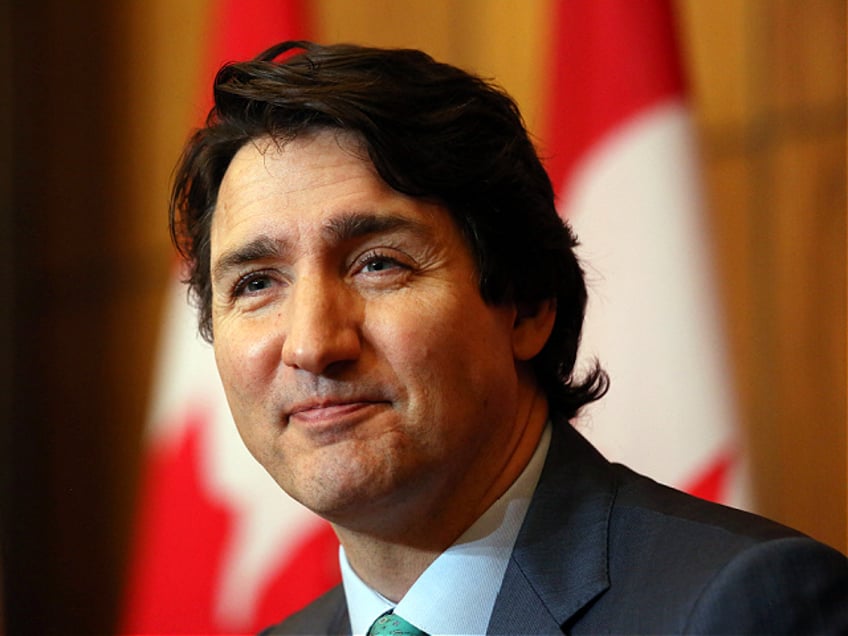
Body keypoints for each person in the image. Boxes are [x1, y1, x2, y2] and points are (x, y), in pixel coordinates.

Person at [169, 40, 847, 635]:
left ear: (525, 305)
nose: (313, 345)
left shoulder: (745, 608)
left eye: (379, 264)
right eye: (256, 283)